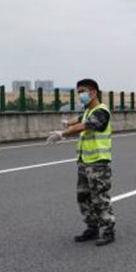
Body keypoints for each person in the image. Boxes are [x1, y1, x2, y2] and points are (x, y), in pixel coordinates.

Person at [47, 78, 116, 246]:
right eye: (78, 92)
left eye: (82, 92)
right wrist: (66, 123)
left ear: (93, 92)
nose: (80, 95)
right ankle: (92, 228)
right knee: (83, 197)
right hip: (85, 162)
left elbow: (85, 126)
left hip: (98, 163)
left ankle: (108, 230)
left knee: (99, 198)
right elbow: (79, 120)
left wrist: (63, 133)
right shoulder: (88, 111)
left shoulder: (101, 111)